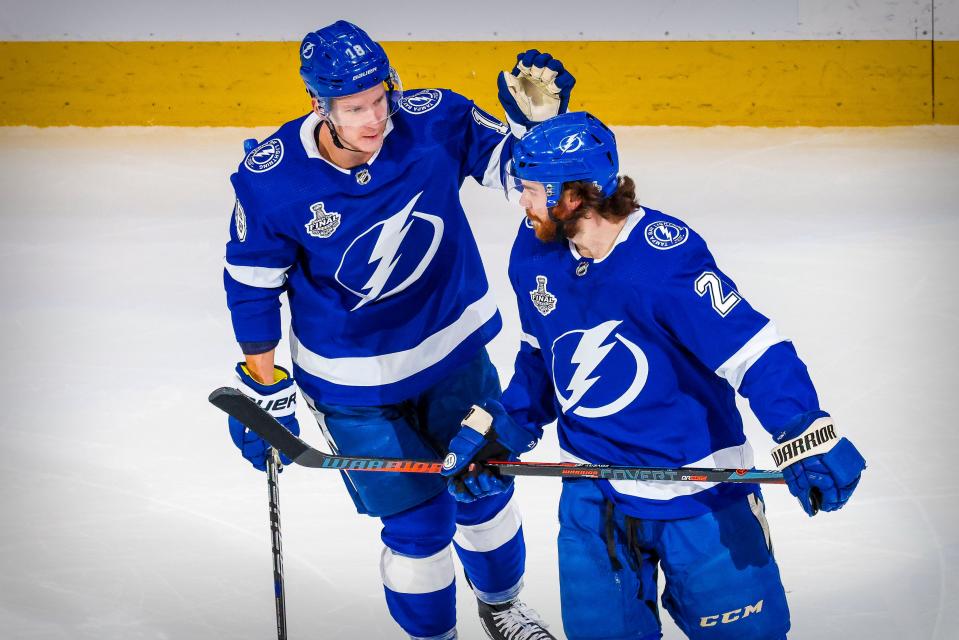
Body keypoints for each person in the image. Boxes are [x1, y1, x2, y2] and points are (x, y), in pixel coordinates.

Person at [441, 112, 867, 639]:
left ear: (571, 197)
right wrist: (504, 427)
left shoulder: (665, 261)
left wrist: (803, 429)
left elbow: (753, 349)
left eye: (531, 189)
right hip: (593, 494)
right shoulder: (533, 254)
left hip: (700, 495)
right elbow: (542, 356)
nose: (522, 202)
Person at [222, 20, 574, 640]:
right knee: (418, 531)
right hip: (353, 387)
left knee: (484, 494)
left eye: (380, 99)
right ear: (318, 105)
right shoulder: (272, 178)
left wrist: (538, 132)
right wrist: (263, 384)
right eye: (355, 108)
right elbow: (252, 287)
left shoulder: (435, 120)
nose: (374, 118)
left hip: (453, 356)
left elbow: (524, 180)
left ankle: (504, 608)